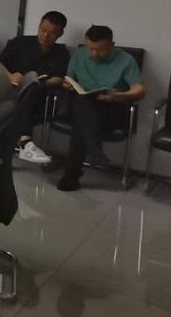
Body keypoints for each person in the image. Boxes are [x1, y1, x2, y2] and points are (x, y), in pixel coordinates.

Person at [56, 25, 145, 192]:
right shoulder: (79, 54)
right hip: (83, 103)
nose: (94, 54)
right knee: (82, 105)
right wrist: (67, 84)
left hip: (111, 108)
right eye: (90, 48)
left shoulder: (126, 60)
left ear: (112, 45)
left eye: (100, 50)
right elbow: (69, 80)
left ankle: (72, 176)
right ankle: (93, 150)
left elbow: (139, 90)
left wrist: (118, 95)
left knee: (81, 123)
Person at [0, 11, 71, 164]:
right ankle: (26, 143)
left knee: (30, 86)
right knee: (25, 89)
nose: (45, 36)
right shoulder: (19, 43)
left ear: (60, 34)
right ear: (38, 26)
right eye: (43, 30)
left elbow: (59, 78)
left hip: (39, 98)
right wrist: (11, 75)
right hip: (9, 90)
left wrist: (40, 82)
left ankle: (24, 143)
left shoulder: (61, 53)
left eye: (52, 33)